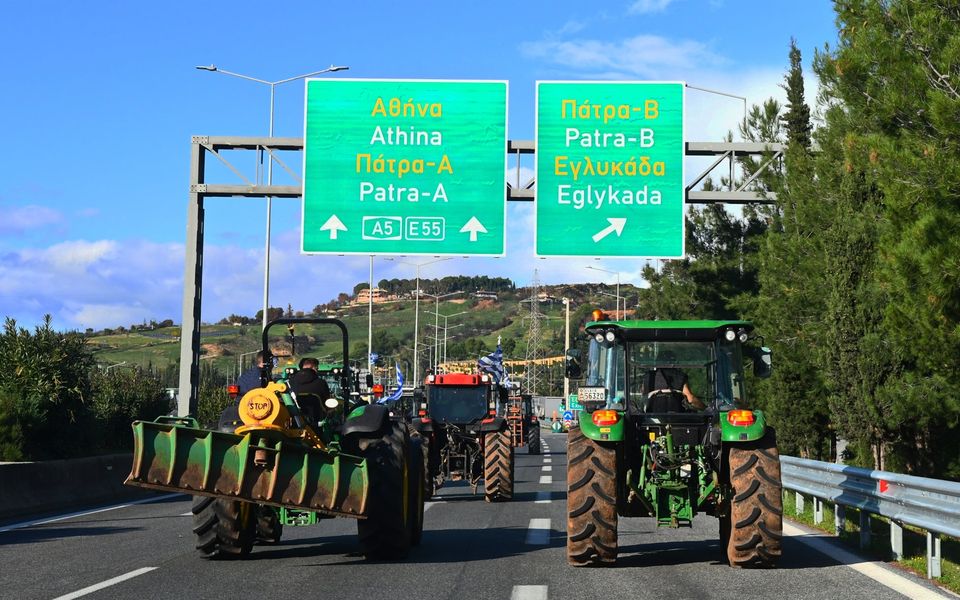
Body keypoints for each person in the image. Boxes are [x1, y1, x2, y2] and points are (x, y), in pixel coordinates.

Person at [288, 357, 332, 425]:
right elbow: (327, 401)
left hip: (296, 419)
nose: (317, 370)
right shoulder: (321, 383)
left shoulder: (290, 382)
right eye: (317, 368)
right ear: (313, 368)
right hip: (317, 418)